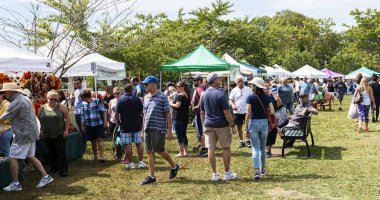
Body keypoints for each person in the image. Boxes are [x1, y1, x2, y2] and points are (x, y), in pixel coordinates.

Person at [0, 83, 53, 191]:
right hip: (31, 133)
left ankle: (16, 184)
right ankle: (45, 176)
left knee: (12, 156)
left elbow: (3, 118)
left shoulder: (16, 102)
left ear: (11, 92)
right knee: (30, 156)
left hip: (22, 134)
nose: (4, 94)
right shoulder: (24, 98)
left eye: (5, 91)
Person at [141, 76, 179, 185]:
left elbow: (168, 114)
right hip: (148, 128)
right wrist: (142, 130)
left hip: (159, 128)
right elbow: (144, 114)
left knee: (160, 150)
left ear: (153, 84)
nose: (145, 86)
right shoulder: (146, 97)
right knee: (149, 151)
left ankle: (174, 166)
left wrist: (169, 130)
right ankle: (151, 176)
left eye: (146, 84)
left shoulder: (162, 97)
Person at [201, 73, 237, 181]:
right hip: (221, 124)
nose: (220, 79)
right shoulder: (221, 93)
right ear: (214, 80)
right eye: (218, 78)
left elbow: (202, 112)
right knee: (225, 147)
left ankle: (215, 174)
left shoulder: (204, 93)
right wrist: (232, 125)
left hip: (208, 124)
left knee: (210, 149)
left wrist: (204, 123)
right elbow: (226, 112)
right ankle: (226, 173)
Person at [245, 77, 274, 180]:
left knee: (255, 148)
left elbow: (248, 113)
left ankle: (256, 171)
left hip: (253, 123)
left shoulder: (250, 97)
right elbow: (272, 112)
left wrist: (245, 127)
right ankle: (262, 169)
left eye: (252, 85)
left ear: (255, 86)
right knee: (262, 148)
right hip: (264, 123)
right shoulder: (267, 97)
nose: (251, 86)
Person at [37, 90, 71, 177]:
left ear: (58, 99)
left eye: (55, 99)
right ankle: (54, 167)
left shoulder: (61, 107)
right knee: (52, 151)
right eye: (51, 99)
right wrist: (39, 130)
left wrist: (66, 130)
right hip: (47, 133)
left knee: (60, 151)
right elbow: (37, 121)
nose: (53, 101)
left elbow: (68, 118)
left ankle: (63, 170)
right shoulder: (41, 108)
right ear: (47, 99)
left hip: (60, 132)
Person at [115, 84, 147, 169]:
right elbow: (142, 112)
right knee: (139, 144)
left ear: (124, 90)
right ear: (132, 90)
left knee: (127, 145)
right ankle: (141, 162)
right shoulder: (137, 99)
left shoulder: (120, 100)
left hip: (125, 125)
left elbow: (116, 114)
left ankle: (131, 163)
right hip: (137, 125)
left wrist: (118, 122)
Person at [80, 89, 108, 162]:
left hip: (98, 124)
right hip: (89, 125)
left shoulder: (97, 101)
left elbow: (104, 111)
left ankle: (102, 157)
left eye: (82, 98)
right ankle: (95, 156)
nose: (82, 99)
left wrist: (105, 122)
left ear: (86, 97)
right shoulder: (83, 104)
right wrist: (82, 125)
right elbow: (82, 115)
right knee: (93, 141)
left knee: (100, 139)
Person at [229, 76, 253, 148]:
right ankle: (241, 141)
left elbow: (252, 98)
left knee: (248, 126)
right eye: (238, 81)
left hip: (247, 111)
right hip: (237, 112)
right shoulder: (234, 90)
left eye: (241, 81)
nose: (240, 83)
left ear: (243, 82)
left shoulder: (248, 89)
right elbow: (230, 99)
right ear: (236, 82)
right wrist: (233, 105)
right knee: (238, 127)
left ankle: (248, 140)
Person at [169, 81, 191, 157]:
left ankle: (181, 152)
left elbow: (178, 105)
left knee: (179, 135)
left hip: (178, 117)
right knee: (184, 134)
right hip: (185, 117)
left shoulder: (179, 96)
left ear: (183, 87)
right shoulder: (187, 95)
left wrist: (170, 103)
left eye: (178, 86)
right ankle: (185, 152)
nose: (177, 87)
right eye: (176, 86)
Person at [191, 76, 208, 157]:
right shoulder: (203, 87)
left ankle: (205, 149)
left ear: (199, 81)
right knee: (202, 131)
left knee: (201, 131)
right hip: (201, 113)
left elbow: (203, 94)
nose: (193, 82)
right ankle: (204, 147)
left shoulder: (200, 88)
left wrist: (198, 105)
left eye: (195, 80)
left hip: (200, 113)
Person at [263, 85, 280, 158]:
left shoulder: (273, 96)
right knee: (267, 134)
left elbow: (279, 106)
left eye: (267, 89)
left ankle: (269, 150)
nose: (266, 90)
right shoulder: (261, 98)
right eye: (264, 89)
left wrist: (278, 99)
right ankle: (267, 151)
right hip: (265, 118)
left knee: (273, 133)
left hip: (274, 118)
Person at [73, 77, 86, 145]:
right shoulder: (76, 91)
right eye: (75, 83)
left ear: (81, 83)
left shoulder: (83, 90)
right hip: (76, 112)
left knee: (82, 128)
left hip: (82, 112)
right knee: (79, 128)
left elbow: (85, 101)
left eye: (77, 83)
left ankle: (84, 143)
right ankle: (82, 142)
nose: (76, 84)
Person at [0, 92, 12, 157]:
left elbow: (7, 119)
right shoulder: (2, 104)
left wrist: (1, 121)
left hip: (6, 130)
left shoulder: (6, 104)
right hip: (2, 131)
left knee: (6, 152)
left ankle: (9, 166)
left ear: (2, 95)